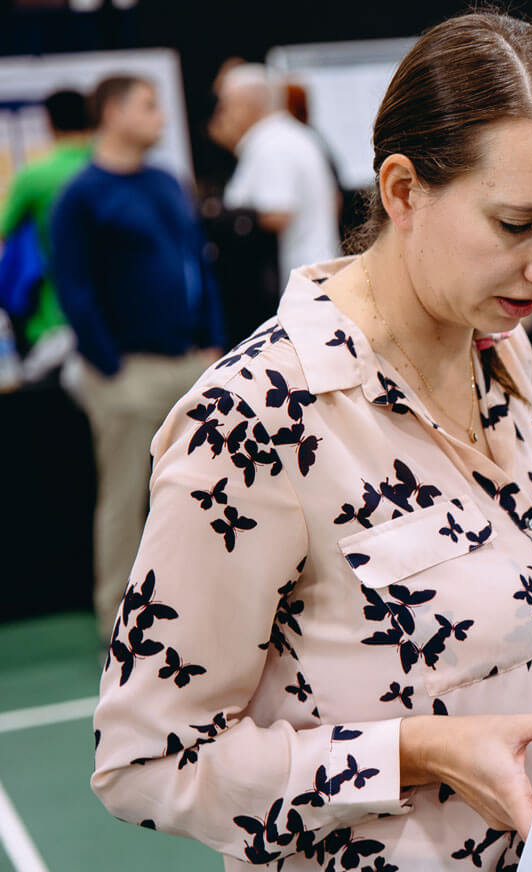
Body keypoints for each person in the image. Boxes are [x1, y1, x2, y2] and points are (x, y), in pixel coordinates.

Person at [91, 14, 532, 870]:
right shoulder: (258, 418)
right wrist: (414, 750)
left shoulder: (501, 352)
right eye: (519, 225)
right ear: (404, 191)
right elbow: (147, 766)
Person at [51, 75, 226, 640]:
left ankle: (211, 606)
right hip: (127, 372)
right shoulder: (81, 196)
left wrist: (214, 342)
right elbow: (73, 288)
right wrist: (107, 364)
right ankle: (120, 623)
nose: (161, 118)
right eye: (149, 106)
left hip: (193, 364)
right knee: (126, 499)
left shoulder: (166, 181)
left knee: (214, 489)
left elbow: (197, 266)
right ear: (114, 112)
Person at [211, 63, 340, 279]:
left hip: (296, 281)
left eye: (227, 106)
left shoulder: (271, 145)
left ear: (249, 105)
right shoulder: (293, 135)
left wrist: (228, 218)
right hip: (312, 274)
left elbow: (278, 212)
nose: (223, 116)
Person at [0, 89, 92, 352]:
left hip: (56, 317)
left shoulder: (35, 177)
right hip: (122, 316)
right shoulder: (116, 171)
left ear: (48, 122)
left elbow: (3, 228)